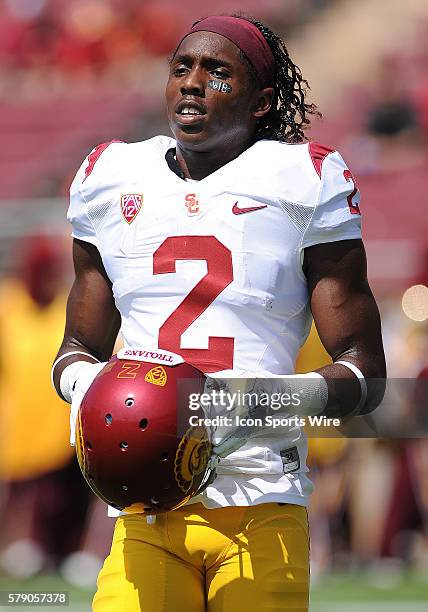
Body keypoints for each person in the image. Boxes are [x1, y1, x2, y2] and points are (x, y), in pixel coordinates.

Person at [52, 14, 386, 612]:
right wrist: (104, 393)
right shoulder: (110, 176)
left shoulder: (304, 180)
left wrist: (244, 403)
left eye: (216, 72)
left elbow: (363, 374)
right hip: (146, 508)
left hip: (261, 497)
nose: (191, 83)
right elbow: (75, 351)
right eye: (181, 67)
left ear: (261, 101)